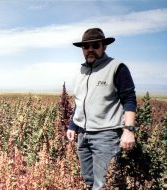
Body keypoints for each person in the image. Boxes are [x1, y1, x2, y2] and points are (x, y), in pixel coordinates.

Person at [66, 28, 137, 190]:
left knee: (104, 184)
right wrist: (72, 125)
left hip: (106, 135)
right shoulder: (81, 71)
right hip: (82, 135)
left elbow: (129, 99)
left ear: (103, 47)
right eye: (86, 46)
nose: (90, 49)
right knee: (89, 182)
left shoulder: (116, 67)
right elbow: (80, 101)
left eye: (95, 45)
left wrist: (129, 130)